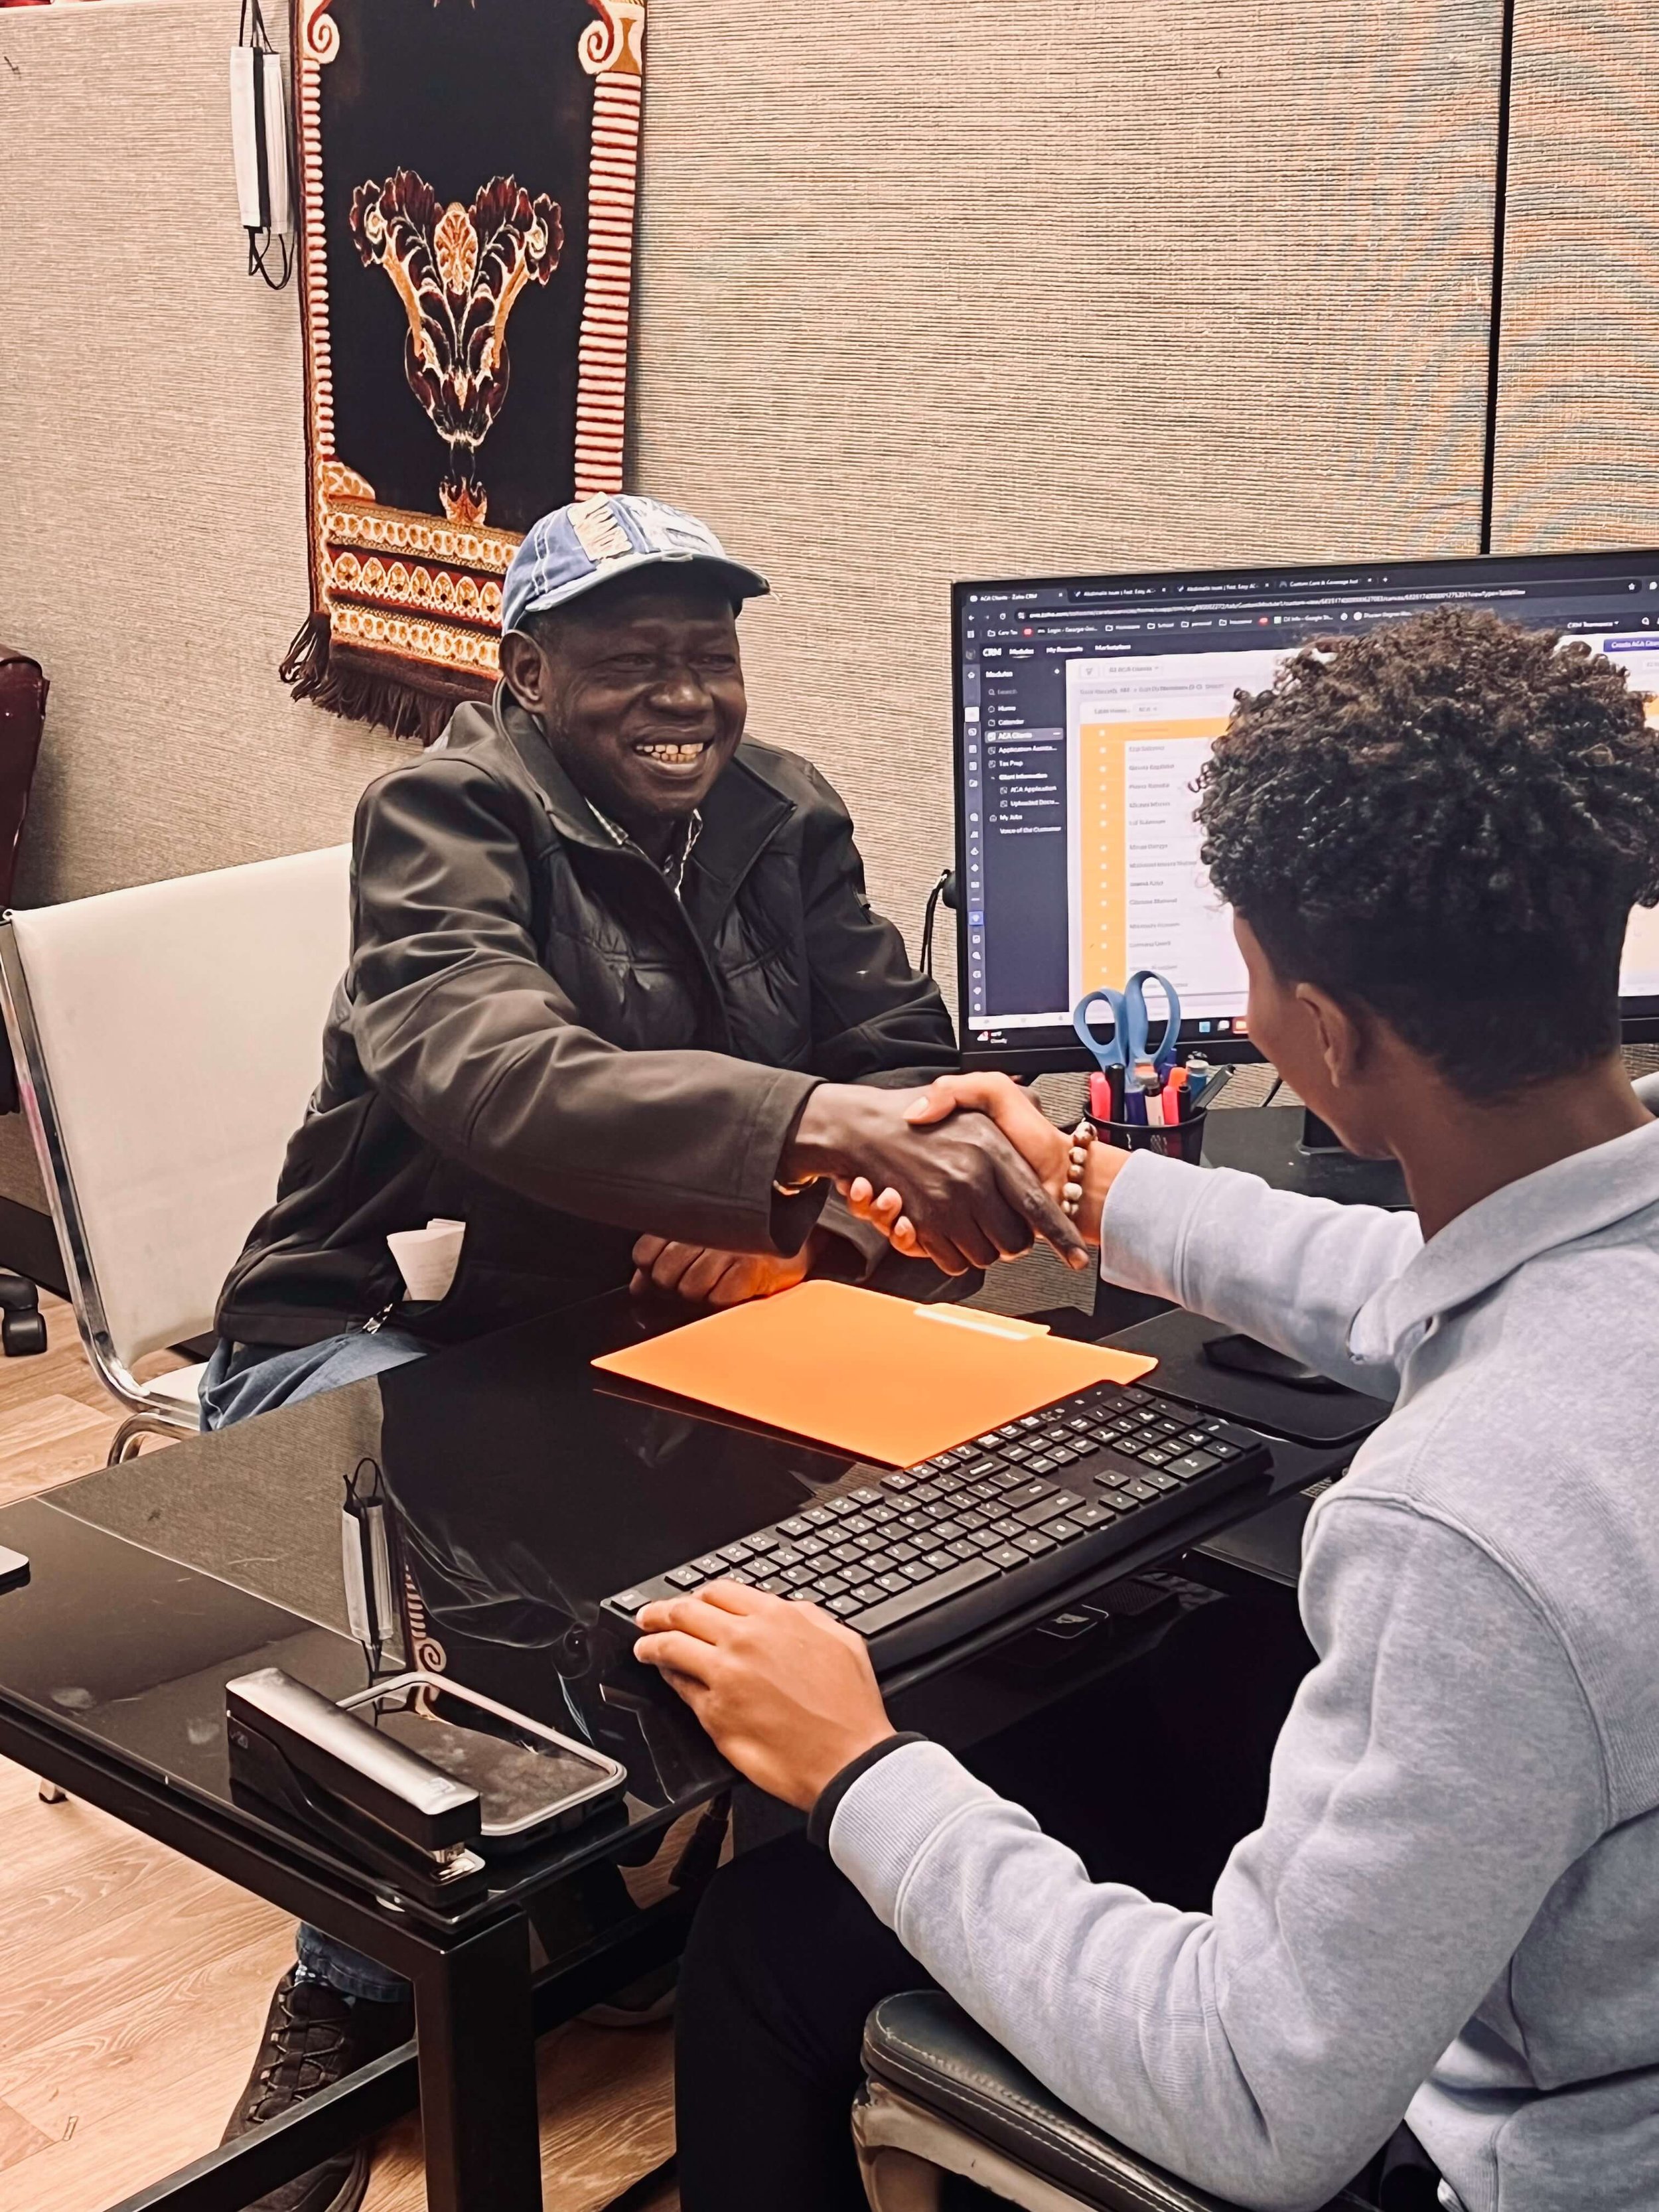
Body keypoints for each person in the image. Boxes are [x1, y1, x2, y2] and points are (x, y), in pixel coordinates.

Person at [636, 607, 1659, 2212]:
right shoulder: (1600, 1257)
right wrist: (1085, 1189)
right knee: (1188, 1680)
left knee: (774, 1931)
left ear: (1323, 1035)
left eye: (1247, 971)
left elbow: (1257, 2101)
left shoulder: (1459, 1522)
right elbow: (1441, 1281)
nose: (1241, 1013)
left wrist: (857, 1763)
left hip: (1515, 2156)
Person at [211, 492, 1084, 2212]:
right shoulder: (442, 812)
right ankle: (351, 1977)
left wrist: (800, 1211)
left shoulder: (786, 812)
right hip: (382, 1331)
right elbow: (484, 1066)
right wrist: (799, 1128)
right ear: (526, 672)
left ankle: (726, 1930)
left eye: (710, 652)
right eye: (629, 659)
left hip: (658, 1333)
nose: (684, 693)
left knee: (890, 1534)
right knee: (471, 1560)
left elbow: (900, 1067)